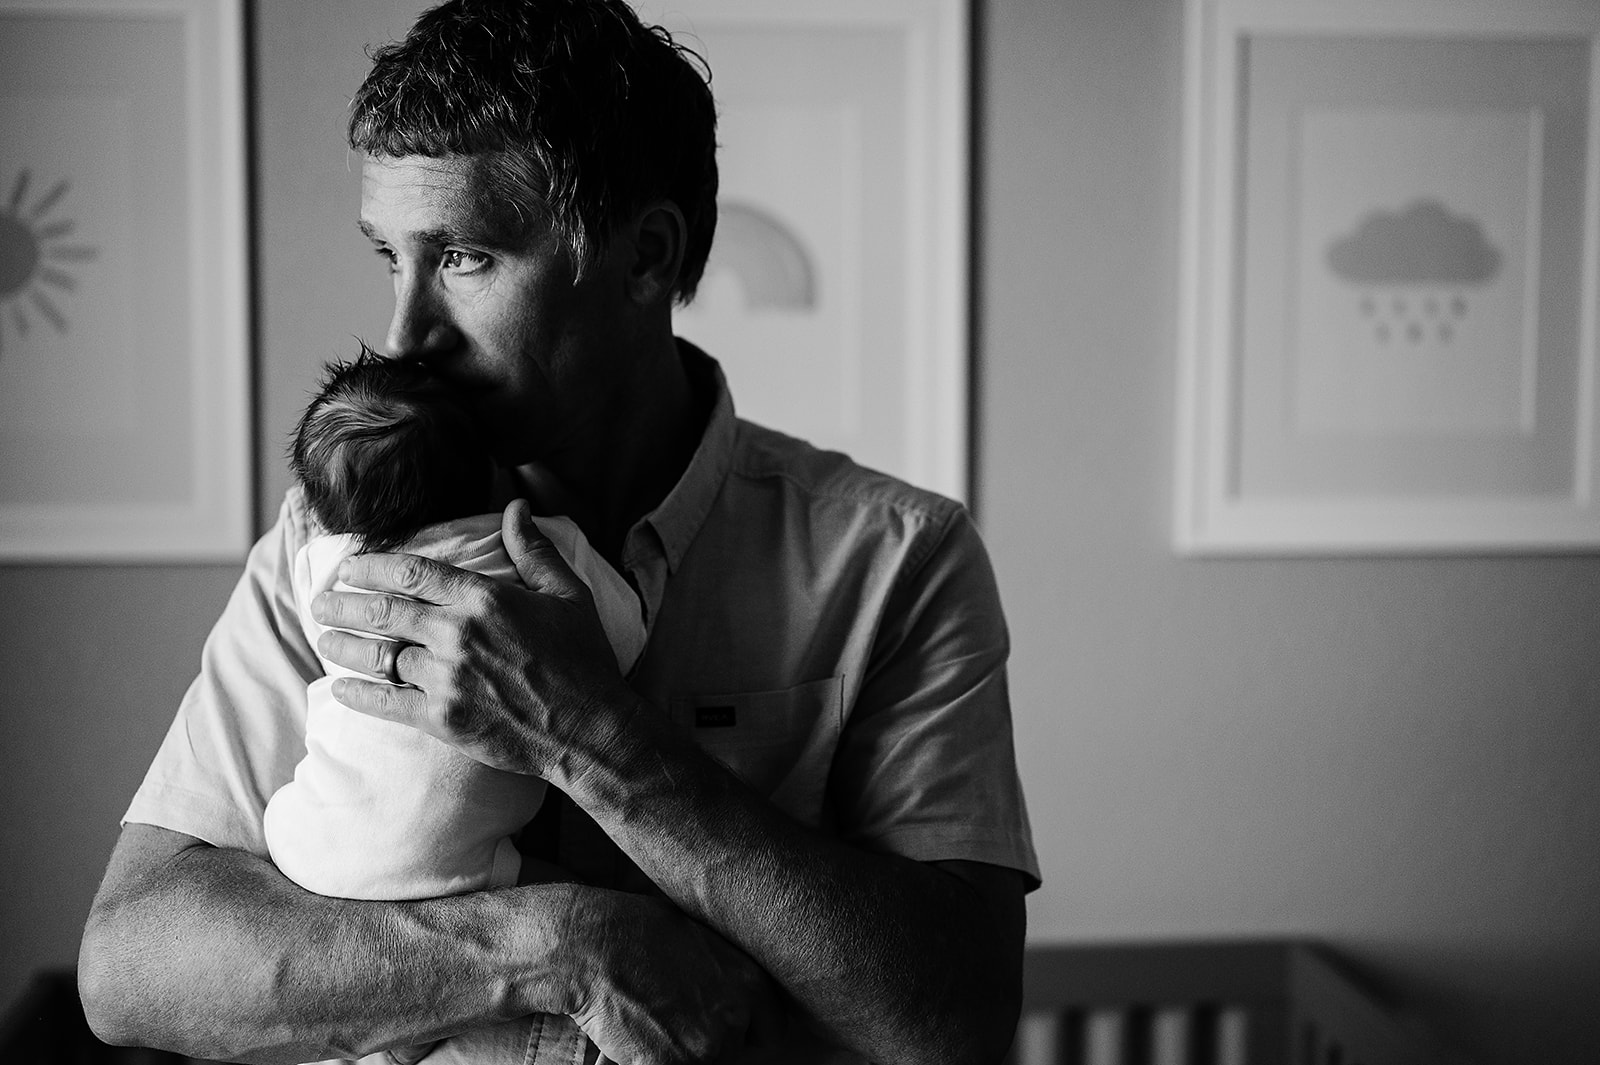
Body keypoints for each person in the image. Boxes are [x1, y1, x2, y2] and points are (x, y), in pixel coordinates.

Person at [78, 2, 1040, 1063]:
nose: (405, 335)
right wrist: (556, 948)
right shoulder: (335, 541)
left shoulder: (896, 561)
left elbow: (954, 1025)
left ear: (646, 259)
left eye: (466, 258)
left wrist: (591, 732)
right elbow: (131, 965)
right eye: (390, 258)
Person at [268, 351, 648, 1064]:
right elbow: (622, 640)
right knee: (608, 915)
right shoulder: (530, 545)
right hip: (456, 870)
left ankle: (400, 1038)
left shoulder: (319, 564)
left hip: (305, 846)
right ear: (491, 470)